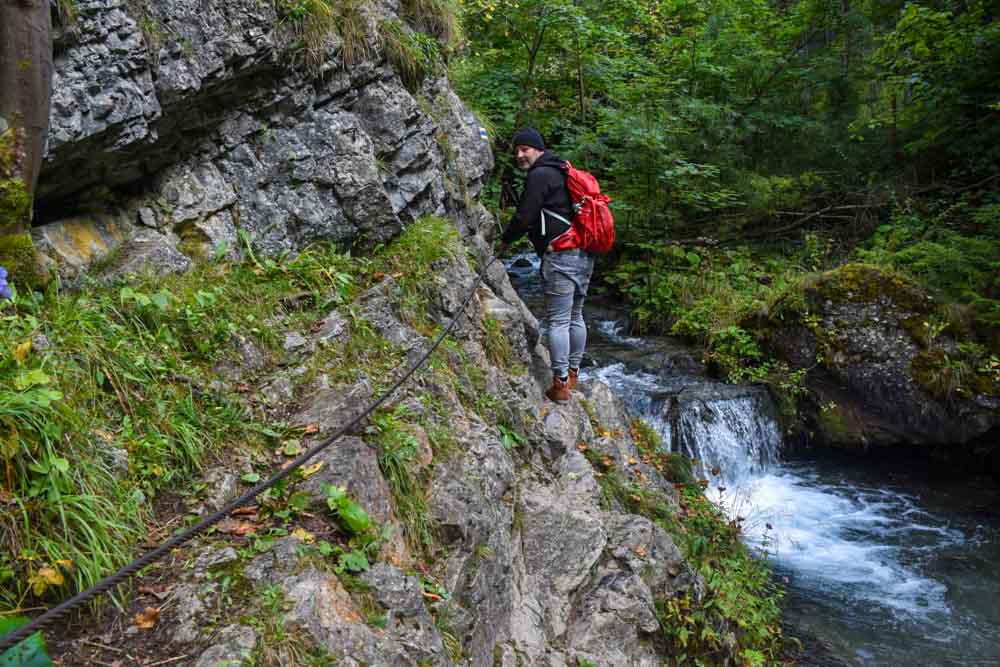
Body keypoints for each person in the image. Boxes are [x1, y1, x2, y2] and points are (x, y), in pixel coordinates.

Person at [498, 127, 595, 403]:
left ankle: (560, 384)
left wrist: (506, 241)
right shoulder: (561, 170)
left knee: (559, 321)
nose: (520, 155)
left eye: (525, 149)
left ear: (538, 149)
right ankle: (573, 374)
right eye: (517, 150)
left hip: (561, 256)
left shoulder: (540, 175)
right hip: (583, 254)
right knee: (576, 316)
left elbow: (525, 215)